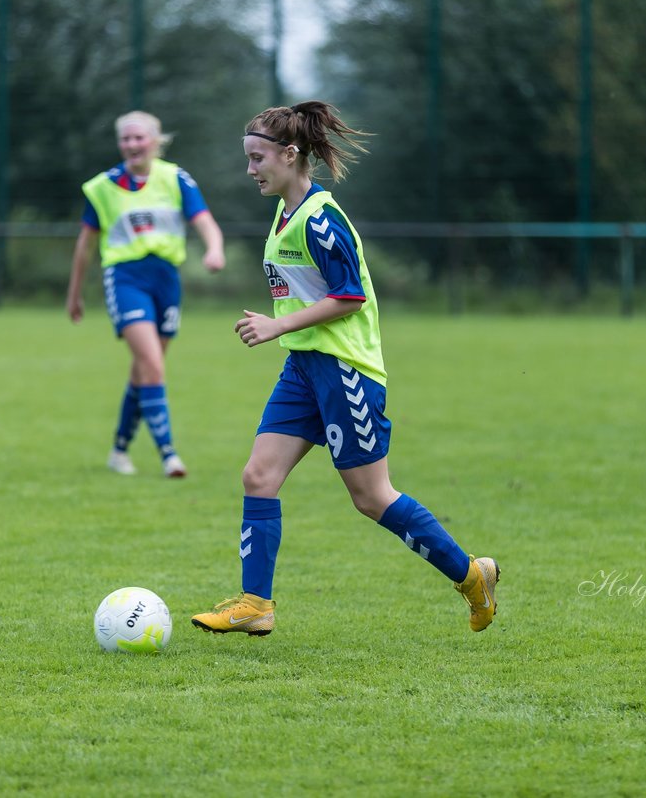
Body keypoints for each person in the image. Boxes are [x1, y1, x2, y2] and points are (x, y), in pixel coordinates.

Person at [190, 101, 498, 636]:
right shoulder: (286, 211)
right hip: (304, 368)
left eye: (258, 158)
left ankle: (471, 575)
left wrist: (277, 325)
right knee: (258, 476)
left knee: (372, 497)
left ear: (290, 155)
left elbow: (350, 297)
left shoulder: (322, 219)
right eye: (248, 158)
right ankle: (255, 605)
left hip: (344, 370)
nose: (250, 169)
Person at [66, 111, 225, 478]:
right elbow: (85, 246)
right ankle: (169, 454)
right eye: (126, 139)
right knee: (153, 364)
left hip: (166, 279)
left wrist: (214, 250)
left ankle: (119, 449)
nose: (132, 145)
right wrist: (74, 294)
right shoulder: (102, 187)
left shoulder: (175, 178)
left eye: (139, 138)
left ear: (156, 141)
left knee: (144, 370)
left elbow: (205, 221)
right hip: (126, 279)